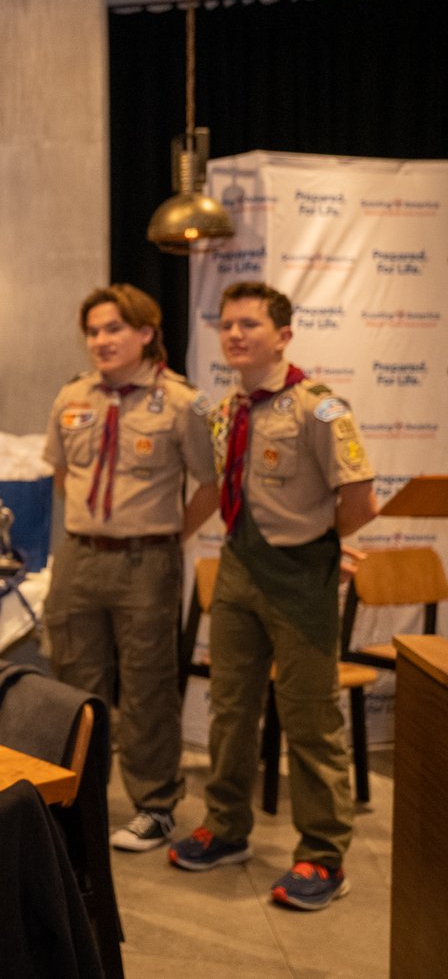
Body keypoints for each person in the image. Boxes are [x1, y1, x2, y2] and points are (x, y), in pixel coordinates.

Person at [169, 281, 376, 912]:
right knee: (231, 709)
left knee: (311, 719)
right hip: (237, 568)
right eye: (228, 324)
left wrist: (318, 549)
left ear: (282, 336)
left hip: (300, 579)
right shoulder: (229, 408)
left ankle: (323, 855)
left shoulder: (320, 408)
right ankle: (227, 828)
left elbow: (361, 501)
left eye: (250, 324)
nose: (235, 334)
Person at [42, 284, 218, 853]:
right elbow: (63, 472)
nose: (101, 341)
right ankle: (77, 800)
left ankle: (155, 806)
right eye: (93, 331)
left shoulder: (182, 402)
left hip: (148, 562)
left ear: (145, 333)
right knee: (74, 683)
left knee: (147, 686)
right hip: (80, 557)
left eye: (113, 329)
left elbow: (210, 486)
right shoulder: (72, 395)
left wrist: (166, 533)